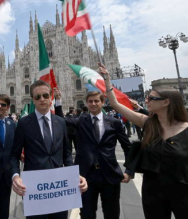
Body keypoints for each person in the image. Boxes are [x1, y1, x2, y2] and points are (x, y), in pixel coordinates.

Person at [98, 63, 188, 219]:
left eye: (151, 98)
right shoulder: (148, 124)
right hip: (153, 195)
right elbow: (115, 103)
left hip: (186, 196)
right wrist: (107, 79)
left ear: (166, 102)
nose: (146, 101)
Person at [10, 80, 88, 219]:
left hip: (59, 187)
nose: (42, 99)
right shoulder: (23, 123)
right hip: (34, 188)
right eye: (37, 96)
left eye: (45, 95)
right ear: (33, 100)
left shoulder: (60, 122)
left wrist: (73, 175)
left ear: (51, 97)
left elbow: (67, 154)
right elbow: (14, 155)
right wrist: (15, 176)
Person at [55, 89, 133, 219]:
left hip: (109, 174)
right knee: (86, 213)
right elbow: (60, 120)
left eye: (96, 101)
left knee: (112, 212)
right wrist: (58, 100)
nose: (93, 104)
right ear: (86, 103)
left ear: (102, 102)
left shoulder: (114, 122)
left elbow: (127, 147)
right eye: (90, 101)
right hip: (86, 175)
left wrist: (130, 171)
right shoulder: (81, 121)